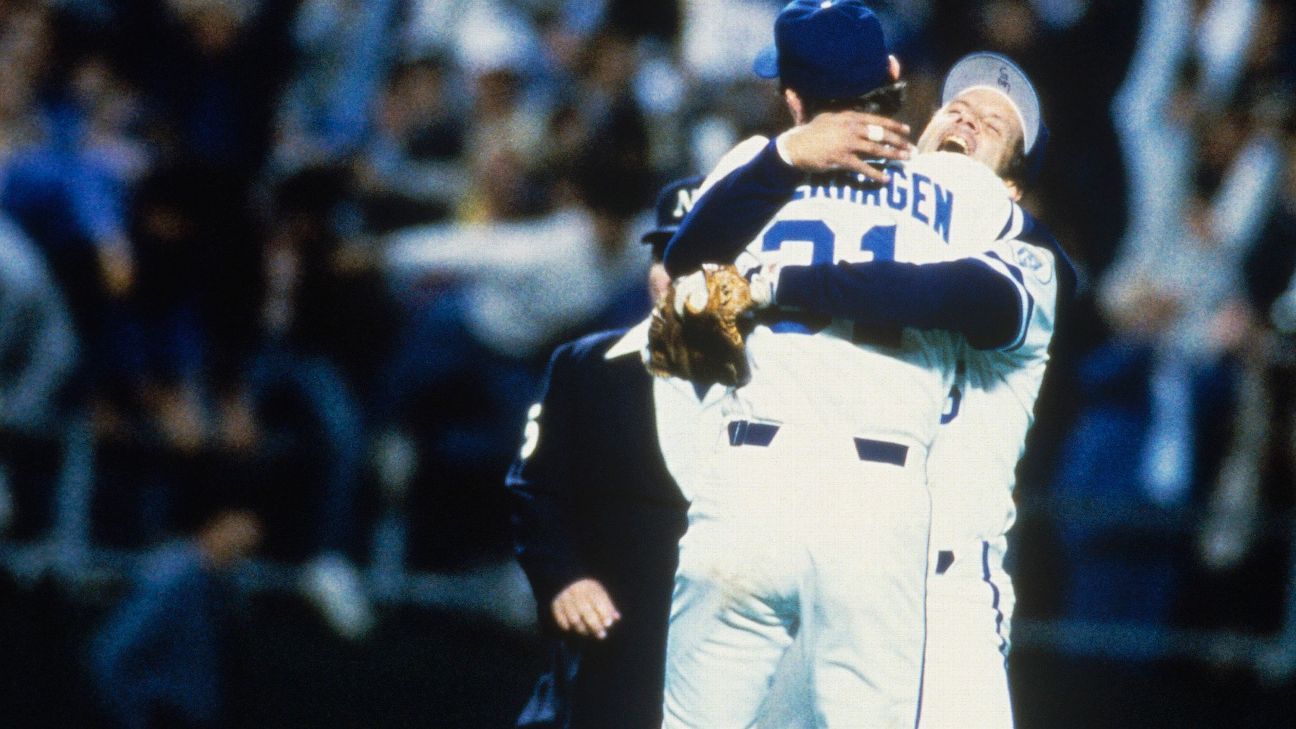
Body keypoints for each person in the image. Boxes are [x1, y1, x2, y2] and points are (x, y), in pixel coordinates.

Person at [658, 3, 1058, 725]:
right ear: (904, 91)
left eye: (992, 125)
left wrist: (771, 275)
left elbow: (682, 280)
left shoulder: (754, 167)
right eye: (958, 108)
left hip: (932, 570)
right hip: (870, 525)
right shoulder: (951, 196)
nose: (966, 121)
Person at [506, 176, 724, 729]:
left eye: (702, 259)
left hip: (726, 641)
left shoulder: (781, 381)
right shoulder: (585, 368)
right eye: (667, 257)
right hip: (611, 643)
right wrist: (563, 577)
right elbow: (535, 489)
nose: (677, 277)